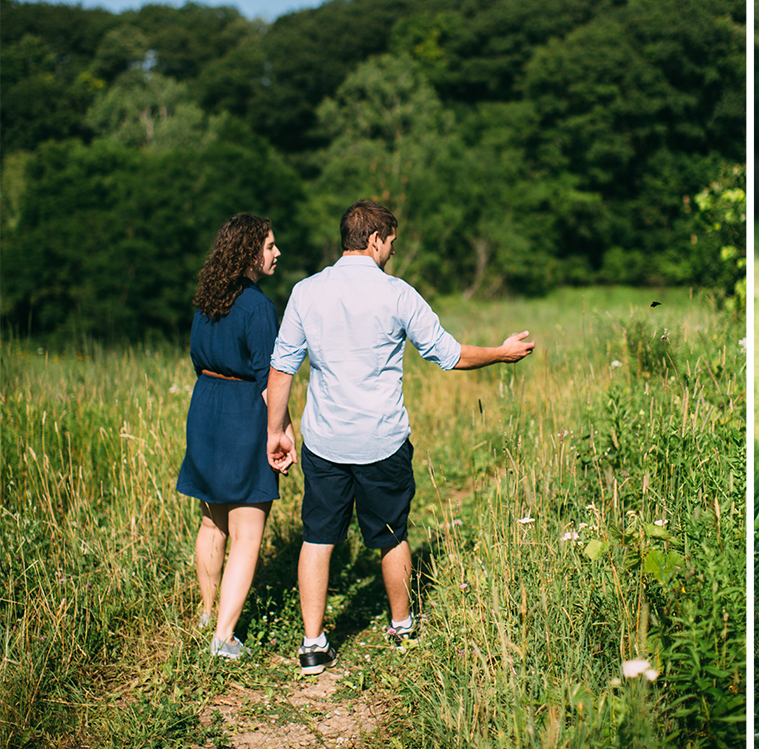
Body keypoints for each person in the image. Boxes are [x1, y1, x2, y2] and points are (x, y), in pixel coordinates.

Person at [265, 200, 534, 676]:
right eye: (390, 242)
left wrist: (276, 431)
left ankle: (312, 644)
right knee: (392, 535)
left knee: (318, 538)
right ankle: (402, 625)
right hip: (382, 441)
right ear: (374, 240)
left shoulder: (305, 292)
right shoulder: (397, 294)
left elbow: (282, 367)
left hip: (324, 440)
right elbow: (448, 355)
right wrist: (502, 352)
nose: (392, 251)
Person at [176, 213, 283, 660]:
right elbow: (269, 378)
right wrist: (282, 429)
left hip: (205, 406)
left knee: (211, 519)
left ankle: (207, 614)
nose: (277, 253)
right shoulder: (258, 307)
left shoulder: (206, 299)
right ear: (249, 252)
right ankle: (223, 636)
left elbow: (195, 356)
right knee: (248, 532)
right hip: (242, 412)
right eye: (270, 245)